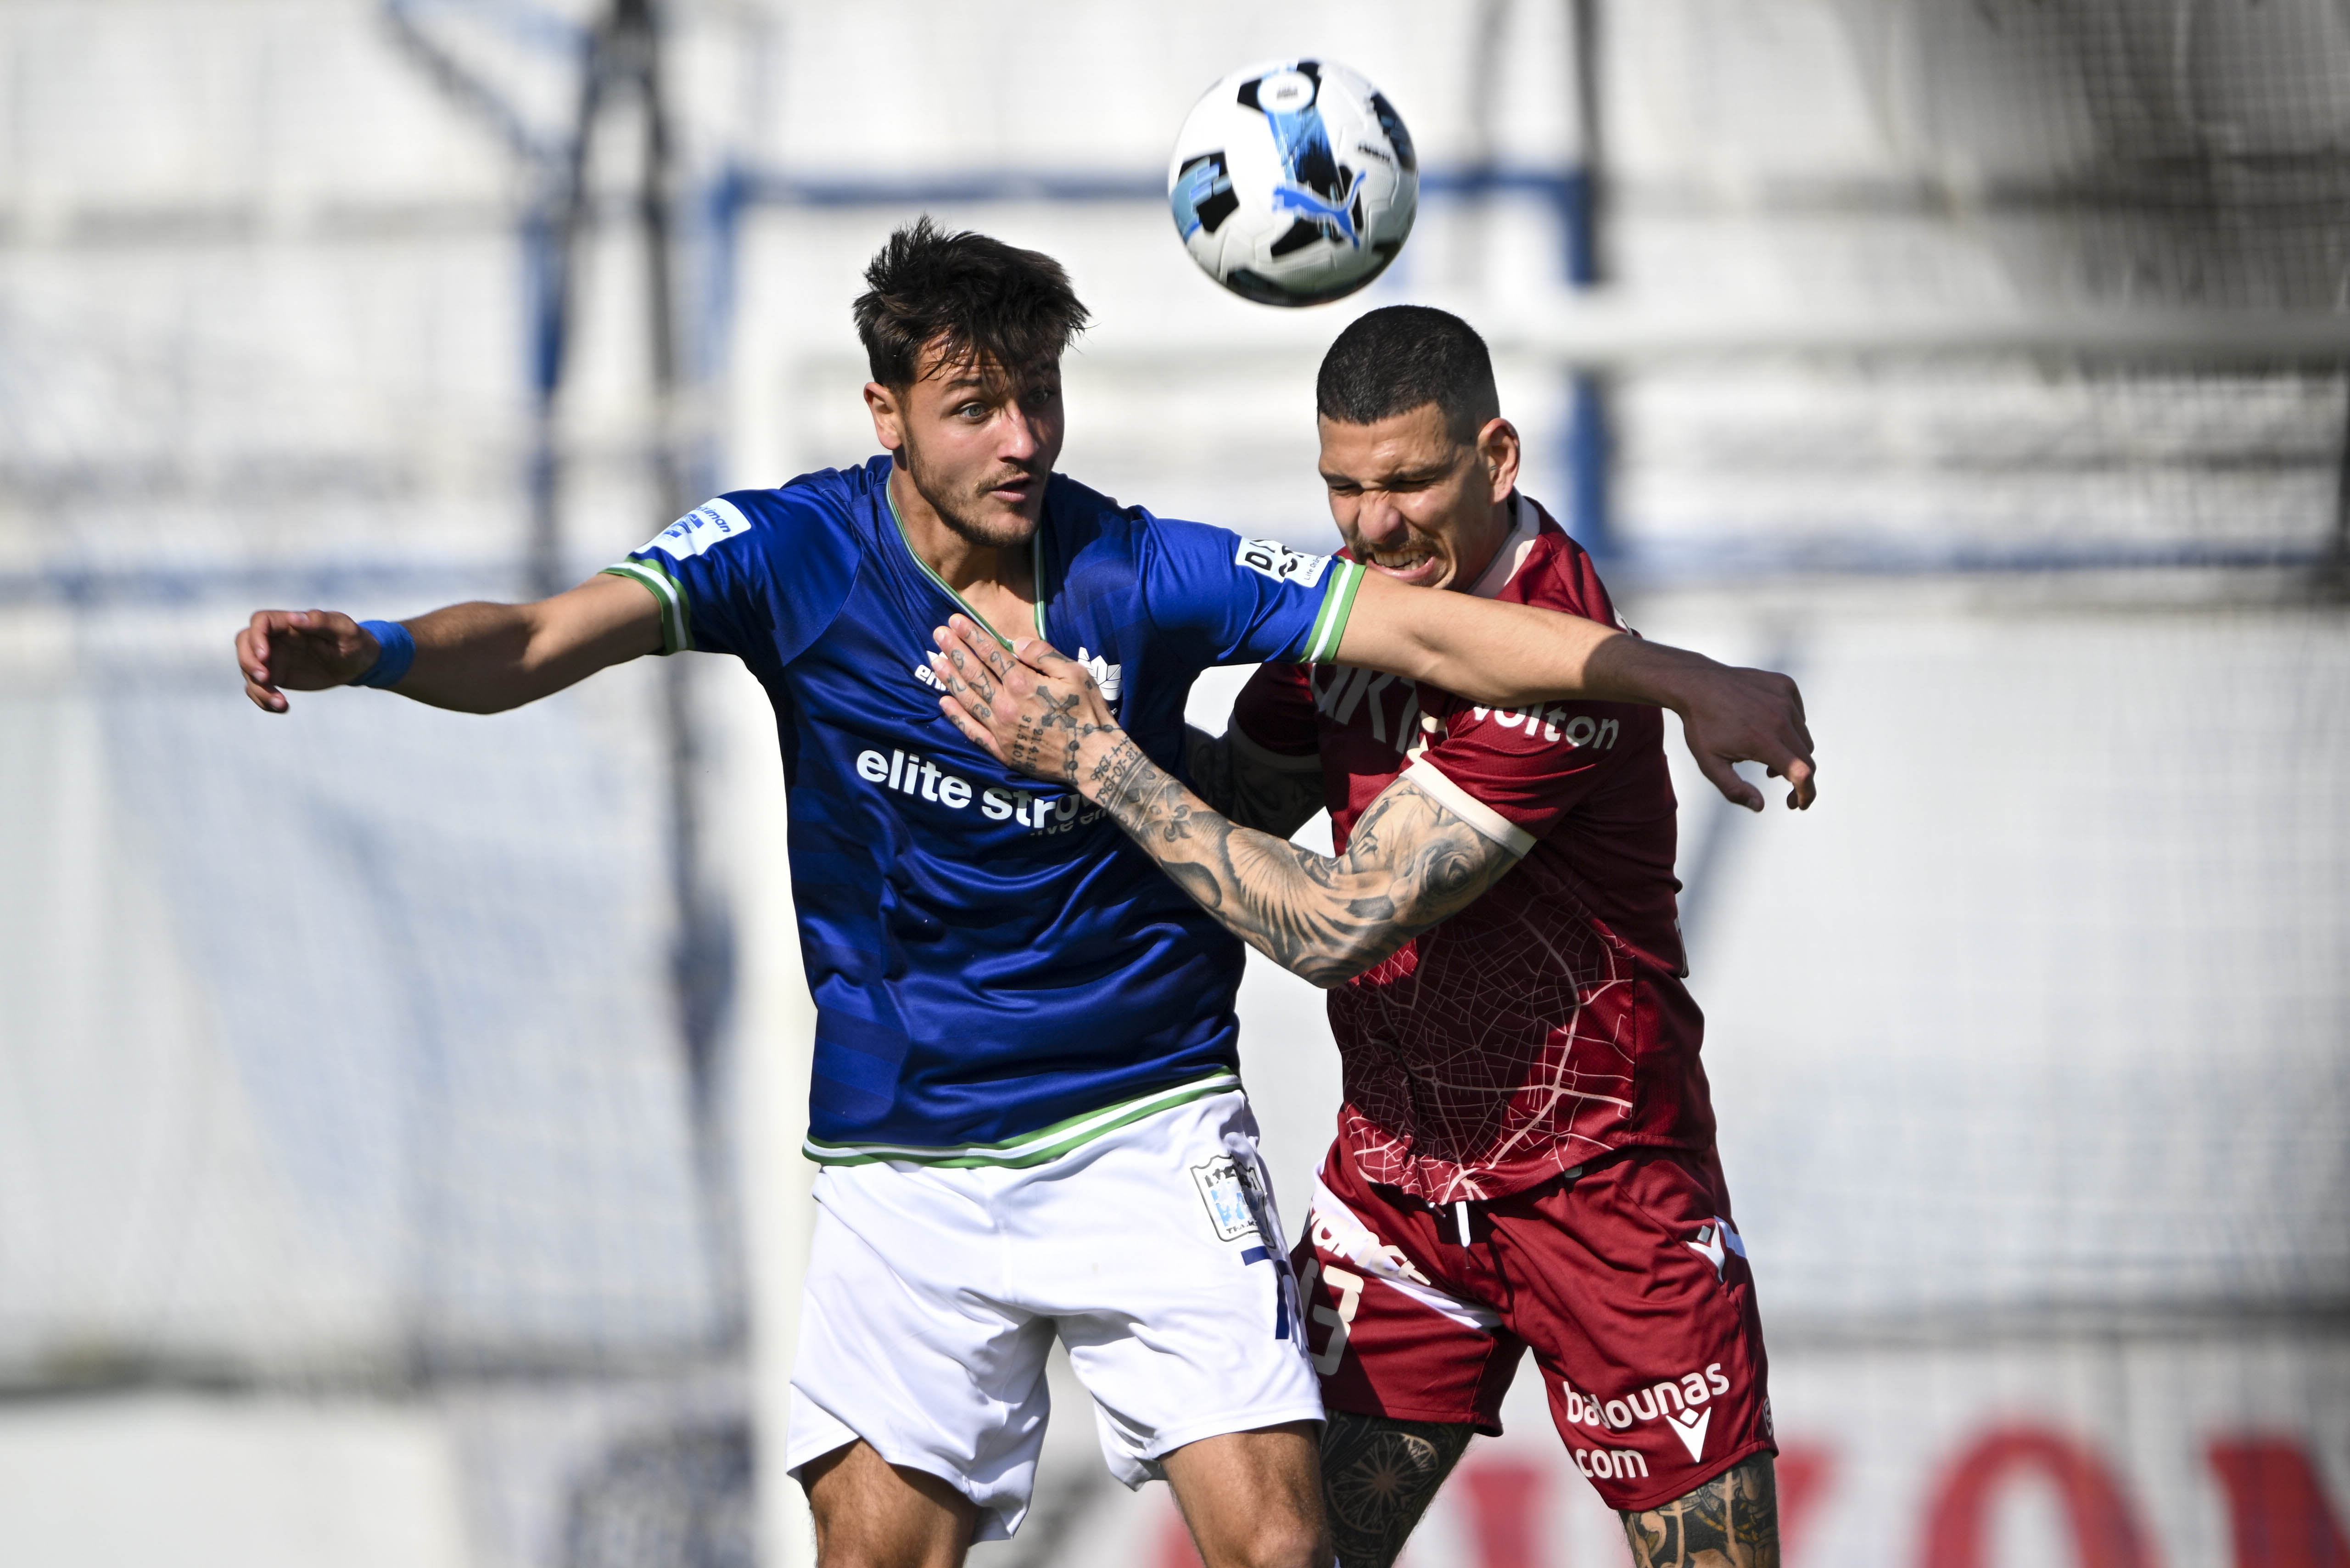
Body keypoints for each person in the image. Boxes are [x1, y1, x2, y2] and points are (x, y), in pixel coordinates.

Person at [237, 222, 1812, 1568]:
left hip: (1258, 1136)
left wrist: (1682, 677)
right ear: (887, 414)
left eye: (1039, 398)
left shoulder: (1155, 573)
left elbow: (1379, 788)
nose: (1022, 441)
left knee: (1279, 1548)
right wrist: (379, 652)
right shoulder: (785, 557)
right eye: (977, 406)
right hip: (982, 1147)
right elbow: (533, 639)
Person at [931, 304, 1798, 1568]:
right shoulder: (1360, 610)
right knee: (1289, 1556)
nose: (1374, 526)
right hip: (1396, 1191)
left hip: (1602, 1190)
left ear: (1497, 459)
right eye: (1344, 488)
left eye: (1409, 484)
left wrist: (1101, 764)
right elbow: (1248, 795)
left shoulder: (1561, 662)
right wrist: (1074, 709)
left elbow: (1338, 921)